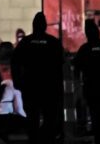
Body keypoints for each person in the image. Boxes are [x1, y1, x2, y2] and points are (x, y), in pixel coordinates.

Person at [11, 12, 64, 144]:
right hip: (49, 87)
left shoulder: (25, 42)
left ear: (33, 25)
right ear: (45, 26)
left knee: (32, 119)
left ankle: (35, 139)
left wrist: (18, 82)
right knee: (49, 118)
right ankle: (47, 139)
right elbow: (61, 64)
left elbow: (15, 63)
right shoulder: (53, 42)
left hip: (30, 86)